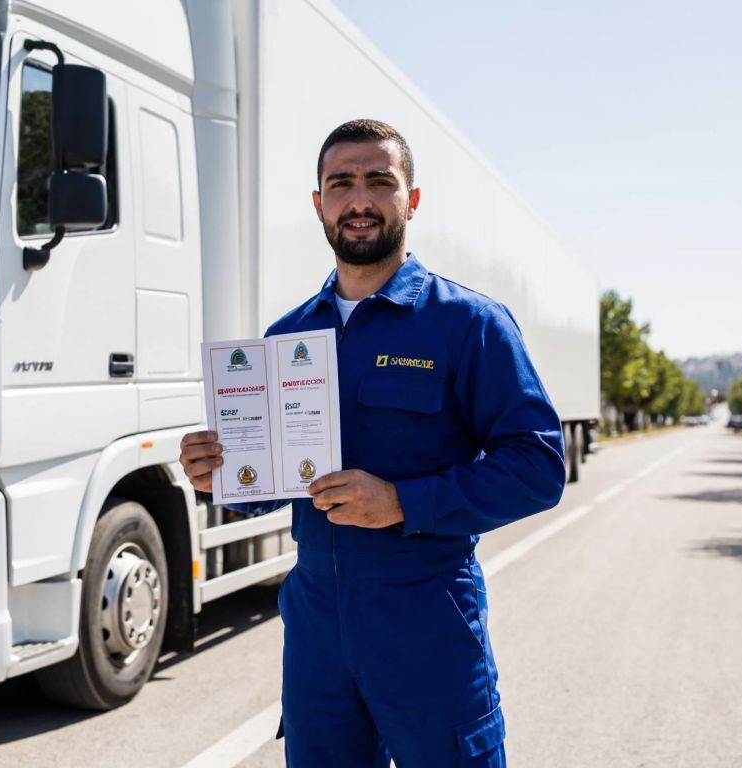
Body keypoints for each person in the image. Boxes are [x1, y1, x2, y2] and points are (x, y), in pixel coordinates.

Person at [179, 119, 566, 767]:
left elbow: (538, 466)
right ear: (319, 204)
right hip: (315, 631)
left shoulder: (466, 324)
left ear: (411, 200)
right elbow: (268, 490)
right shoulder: (287, 335)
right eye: (341, 183)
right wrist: (219, 476)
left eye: (379, 181)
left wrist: (402, 501)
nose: (359, 199)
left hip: (426, 619)